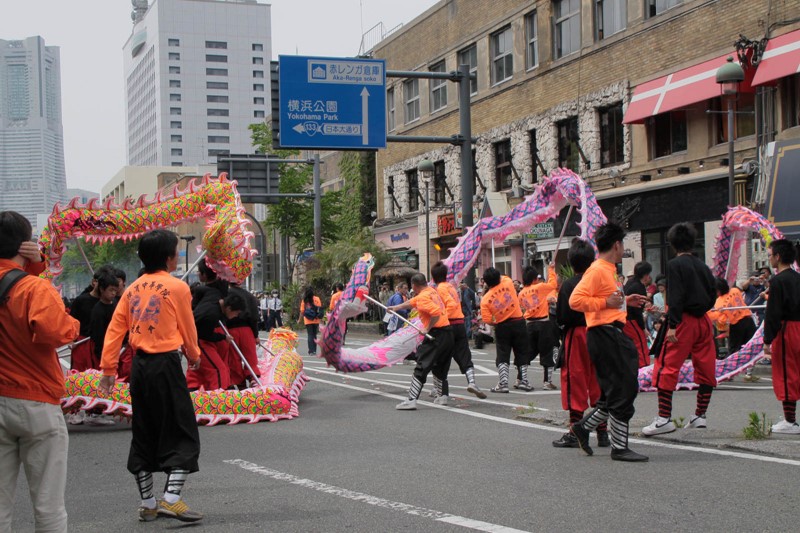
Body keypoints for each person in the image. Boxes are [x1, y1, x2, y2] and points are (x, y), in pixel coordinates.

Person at [99, 229, 203, 523]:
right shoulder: (177, 287)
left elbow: (115, 331)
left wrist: (108, 369)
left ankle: (147, 503)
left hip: (140, 367)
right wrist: (194, 355)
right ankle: (171, 499)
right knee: (182, 430)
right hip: (165, 365)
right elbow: (187, 327)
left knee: (144, 431)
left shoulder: (131, 289)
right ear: (169, 257)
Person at [0, 211, 80, 532]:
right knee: (48, 506)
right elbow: (55, 331)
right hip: (36, 402)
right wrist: (73, 322)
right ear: (26, 244)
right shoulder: (35, 288)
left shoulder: (28, 284)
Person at [569, 223, 648, 462]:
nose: (623, 248)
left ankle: (583, 427)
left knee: (615, 390)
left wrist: (624, 300)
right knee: (624, 388)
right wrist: (607, 303)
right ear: (616, 245)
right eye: (622, 244)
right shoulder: (597, 270)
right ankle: (619, 447)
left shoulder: (608, 270)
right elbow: (575, 300)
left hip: (609, 333)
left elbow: (608, 298)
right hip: (605, 334)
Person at [643, 223, 717, 437]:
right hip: (703, 320)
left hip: (682, 321)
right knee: (706, 366)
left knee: (666, 366)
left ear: (673, 244)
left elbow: (675, 296)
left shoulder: (674, 264)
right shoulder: (702, 266)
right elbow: (713, 293)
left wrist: (673, 325)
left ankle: (664, 419)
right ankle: (700, 415)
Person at [552, 239, 606, 449]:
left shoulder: (568, 285)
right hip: (600, 332)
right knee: (598, 380)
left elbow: (562, 317)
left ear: (572, 262)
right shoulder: (599, 280)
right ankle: (602, 432)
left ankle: (575, 431)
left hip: (577, 334)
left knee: (575, 381)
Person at [388, 273, 454, 410]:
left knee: (422, 365)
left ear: (414, 285)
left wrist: (427, 328)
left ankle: (411, 400)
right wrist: (396, 307)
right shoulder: (431, 291)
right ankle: (442, 396)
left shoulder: (423, 297)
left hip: (436, 334)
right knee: (440, 365)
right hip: (447, 332)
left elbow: (435, 313)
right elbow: (413, 302)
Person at [430, 262, 486, 402]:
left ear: (433, 277)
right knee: (464, 354)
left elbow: (450, 304)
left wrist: (442, 318)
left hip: (448, 325)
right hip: (459, 323)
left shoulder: (440, 289)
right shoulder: (451, 287)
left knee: (441, 358)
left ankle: (442, 393)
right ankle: (471, 382)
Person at [763, 239, 800, 434]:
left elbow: (773, 313)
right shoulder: (798, 277)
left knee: (786, 373)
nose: (769, 259)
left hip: (787, 329)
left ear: (778, 257)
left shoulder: (778, 281)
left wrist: (767, 340)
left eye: (770, 255)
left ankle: (790, 420)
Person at [480, 267, 533, 393]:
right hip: (519, 322)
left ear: (486, 282)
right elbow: (502, 277)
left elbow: (487, 319)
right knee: (522, 352)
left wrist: (496, 322)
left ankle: (503, 383)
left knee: (503, 354)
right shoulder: (508, 282)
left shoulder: (485, 299)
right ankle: (523, 380)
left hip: (502, 325)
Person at [186, 259, 230, 391]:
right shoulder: (223, 287)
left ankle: (216, 396)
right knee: (217, 365)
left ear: (204, 275)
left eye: (199, 272)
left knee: (206, 368)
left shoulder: (200, 291)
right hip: (220, 331)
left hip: (206, 333)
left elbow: (192, 310)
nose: (198, 274)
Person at [518, 262, 558, 390]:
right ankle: (547, 382)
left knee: (529, 351)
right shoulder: (540, 287)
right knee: (547, 352)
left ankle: (521, 378)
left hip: (529, 324)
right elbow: (553, 284)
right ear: (535, 279)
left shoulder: (521, 293)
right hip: (543, 323)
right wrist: (551, 269)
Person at [707, 277, 757, 357]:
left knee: (734, 350)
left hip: (737, 325)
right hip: (749, 321)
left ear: (718, 290)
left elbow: (722, 320)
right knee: (751, 346)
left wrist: (707, 314)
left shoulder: (719, 302)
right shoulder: (735, 290)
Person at [221, 292, 261, 389]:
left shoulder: (225, 294)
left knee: (233, 359)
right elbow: (254, 316)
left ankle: (239, 383)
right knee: (250, 357)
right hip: (246, 329)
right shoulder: (249, 295)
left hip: (230, 330)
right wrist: (255, 335)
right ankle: (253, 379)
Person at [624, 261, 653, 368]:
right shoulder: (639, 287)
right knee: (640, 344)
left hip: (624, 319)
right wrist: (643, 328)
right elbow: (637, 311)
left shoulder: (630, 282)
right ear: (645, 275)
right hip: (632, 320)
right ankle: (644, 368)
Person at [299, 287, 322, 356]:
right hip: (316, 319)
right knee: (314, 335)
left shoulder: (305, 300)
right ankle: (314, 350)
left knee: (310, 335)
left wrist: (299, 320)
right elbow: (319, 308)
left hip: (308, 320)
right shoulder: (317, 299)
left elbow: (302, 311)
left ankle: (311, 351)